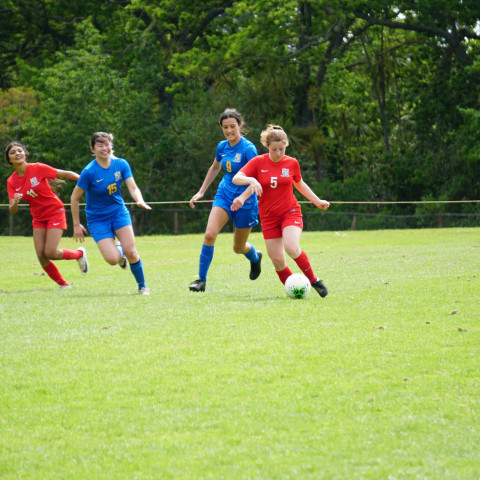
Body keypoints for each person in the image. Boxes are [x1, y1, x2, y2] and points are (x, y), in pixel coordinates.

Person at [231, 125, 330, 297]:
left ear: (286, 145)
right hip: (269, 217)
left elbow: (299, 184)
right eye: (274, 149)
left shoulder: (292, 163)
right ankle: (296, 289)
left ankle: (314, 281)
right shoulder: (258, 162)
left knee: (291, 247)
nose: (278, 153)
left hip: (289, 212)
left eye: (281, 149)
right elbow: (236, 178)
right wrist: (251, 181)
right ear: (267, 146)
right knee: (277, 261)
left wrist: (317, 200)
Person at [188, 108, 262, 292]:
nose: (229, 131)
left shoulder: (248, 149)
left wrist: (242, 198)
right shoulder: (221, 146)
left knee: (238, 248)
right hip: (224, 194)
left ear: (240, 125)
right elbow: (215, 168)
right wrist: (201, 191)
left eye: (232, 126)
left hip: (246, 201)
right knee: (209, 235)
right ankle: (201, 280)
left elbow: (255, 180)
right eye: (225, 127)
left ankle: (255, 257)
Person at [70, 132, 151, 295]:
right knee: (113, 259)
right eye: (99, 145)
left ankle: (142, 286)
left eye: (107, 144)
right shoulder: (89, 172)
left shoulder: (121, 164)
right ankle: (120, 250)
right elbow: (74, 198)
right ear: (93, 149)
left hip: (118, 213)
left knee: (132, 252)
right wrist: (76, 224)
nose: (104, 148)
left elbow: (133, 187)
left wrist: (139, 199)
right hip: (97, 219)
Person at [6, 141, 88, 289]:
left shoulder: (37, 168)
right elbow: (12, 210)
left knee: (50, 252)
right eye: (13, 153)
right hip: (38, 217)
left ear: (25, 154)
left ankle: (79, 254)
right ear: (9, 160)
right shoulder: (11, 181)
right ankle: (64, 285)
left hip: (55, 211)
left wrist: (86, 180)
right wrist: (16, 202)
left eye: (19, 151)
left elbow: (65, 174)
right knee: (41, 255)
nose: (17, 154)